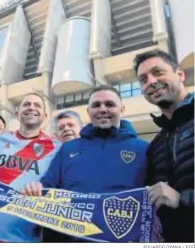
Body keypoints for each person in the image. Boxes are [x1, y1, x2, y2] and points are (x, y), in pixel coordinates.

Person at [22, 86, 149, 242]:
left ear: (122, 110)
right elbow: (48, 185)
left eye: (109, 104)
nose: (102, 109)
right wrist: (36, 188)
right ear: (88, 112)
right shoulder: (68, 148)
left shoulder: (143, 149)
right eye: (96, 105)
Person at [0, 93, 62, 243]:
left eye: (37, 105)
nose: (31, 107)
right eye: (26, 104)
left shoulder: (57, 148)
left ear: (45, 116)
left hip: (25, 239)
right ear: (17, 113)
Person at [134, 49, 194, 243]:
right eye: (143, 79)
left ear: (180, 74)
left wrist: (182, 199)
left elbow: (176, 198)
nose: (150, 81)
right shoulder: (156, 144)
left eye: (158, 72)